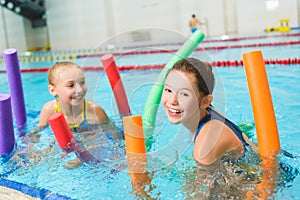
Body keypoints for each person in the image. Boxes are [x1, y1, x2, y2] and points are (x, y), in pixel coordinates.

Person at [161, 57, 256, 165]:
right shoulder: (207, 112)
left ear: (205, 102)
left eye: (184, 94)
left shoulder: (205, 147)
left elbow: (201, 182)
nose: (172, 101)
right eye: (168, 90)